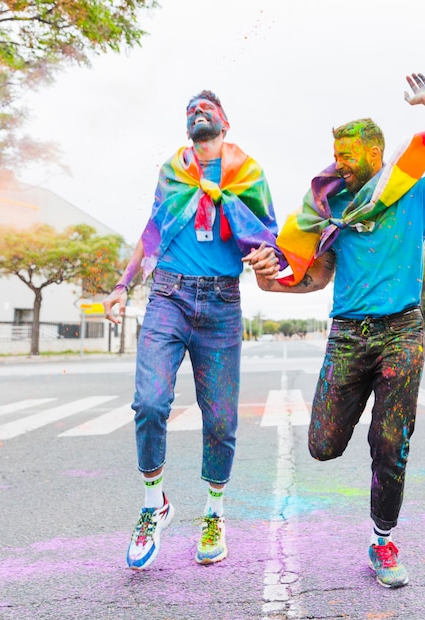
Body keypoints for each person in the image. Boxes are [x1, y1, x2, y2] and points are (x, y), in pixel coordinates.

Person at [244, 73, 425, 588]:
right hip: (349, 335)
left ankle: (383, 539)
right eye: (335, 154)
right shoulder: (335, 209)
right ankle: (363, 427)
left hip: (402, 330)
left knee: (392, 438)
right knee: (323, 445)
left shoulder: (417, 195)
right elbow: (319, 276)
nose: (340, 163)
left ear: (375, 153)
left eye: (349, 154)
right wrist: (273, 286)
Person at [103, 90, 281, 570]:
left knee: (220, 421)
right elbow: (153, 229)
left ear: (225, 122)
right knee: (150, 402)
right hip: (168, 294)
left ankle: (214, 513)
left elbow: (270, 236)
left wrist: (270, 255)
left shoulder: (249, 173)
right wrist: (123, 284)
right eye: (191, 111)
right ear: (187, 127)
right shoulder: (171, 171)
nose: (199, 114)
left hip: (222, 301)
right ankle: (153, 504)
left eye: (207, 109)